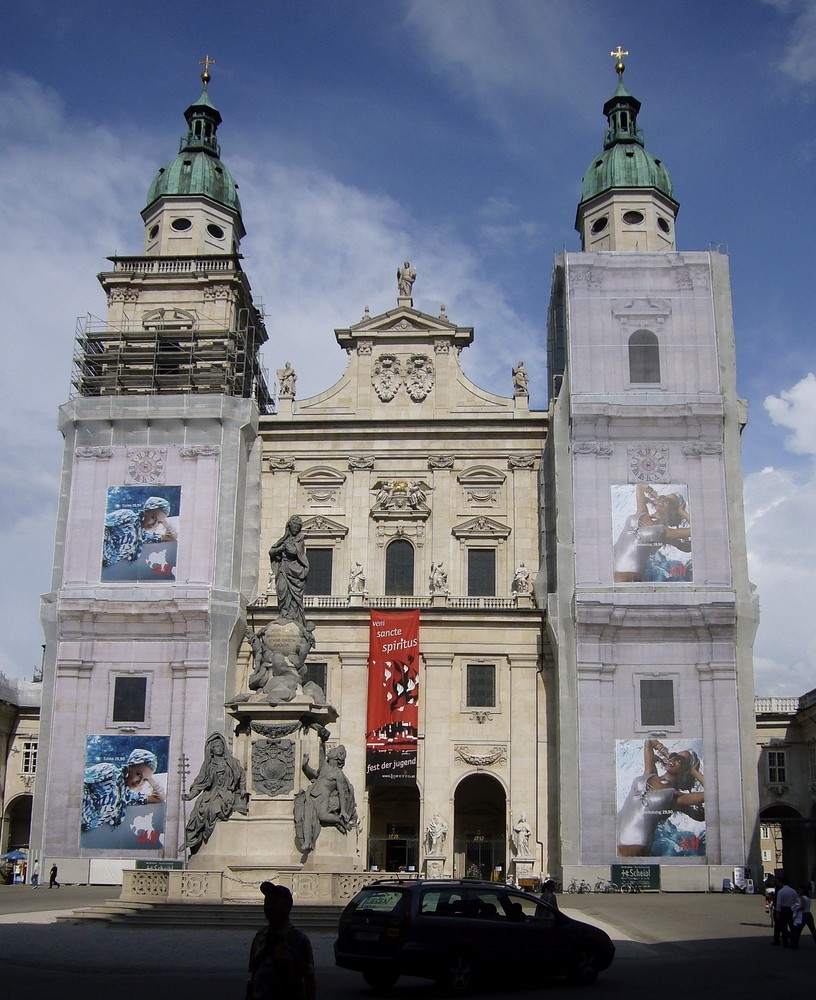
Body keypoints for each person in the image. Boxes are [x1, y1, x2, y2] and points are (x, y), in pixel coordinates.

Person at [617, 738, 704, 857]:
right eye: (674, 755)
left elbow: (713, 793)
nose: (673, 759)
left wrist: (695, 772)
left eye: (680, 760)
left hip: (634, 848)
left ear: (685, 772)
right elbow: (649, 741)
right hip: (612, 839)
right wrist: (668, 754)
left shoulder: (677, 797)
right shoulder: (650, 773)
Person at [246, 882, 316, 1000]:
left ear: (288, 906)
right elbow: (253, 974)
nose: (269, 907)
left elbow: (309, 980)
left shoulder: (299, 940)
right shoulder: (259, 937)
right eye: (266, 903)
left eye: (274, 903)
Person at [182, 732, 249, 855]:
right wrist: (190, 795)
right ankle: (194, 839)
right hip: (211, 792)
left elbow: (242, 776)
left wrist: (243, 789)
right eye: (216, 746)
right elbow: (200, 783)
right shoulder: (208, 766)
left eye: (220, 746)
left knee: (214, 807)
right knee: (199, 809)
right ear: (211, 750)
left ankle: (205, 834)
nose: (219, 748)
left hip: (227, 793)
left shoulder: (232, 762)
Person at [613, 484, 691, 583]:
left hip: (626, 581)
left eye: (668, 501)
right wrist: (655, 494)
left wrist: (682, 512)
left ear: (673, 511)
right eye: (663, 498)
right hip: (607, 572)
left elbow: (695, 531)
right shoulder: (642, 512)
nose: (662, 501)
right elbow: (640, 487)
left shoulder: (666, 533)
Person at [295, 737, 358, 854]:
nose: (331, 750)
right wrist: (305, 765)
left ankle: (339, 821)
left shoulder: (338, 774)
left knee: (323, 816)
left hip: (323, 797)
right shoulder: (324, 766)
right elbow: (314, 774)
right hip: (312, 794)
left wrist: (343, 810)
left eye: (333, 750)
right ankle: (307, 841)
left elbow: (342, 793)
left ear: (338, 756)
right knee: (307, 817)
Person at [82, 748, 166, 831]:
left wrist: (150, 778)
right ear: (130, 766)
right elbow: (79, 780)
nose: (139, 782)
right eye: (138, 774)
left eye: (144, 780)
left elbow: (159, 798)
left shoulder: (127, 796)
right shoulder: (110, 772)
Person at [102, 496, 177, 567]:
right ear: (145, 511)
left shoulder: (143, 536)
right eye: (153, 518)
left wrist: (165, 523)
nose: (154, 525)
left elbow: (172, 537)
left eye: (159, 522)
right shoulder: (128, 516)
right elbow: (100, 525)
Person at [269, 516, 309, 625]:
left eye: (298, 526)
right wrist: (280, 549)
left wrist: (287, 547)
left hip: (294, 571)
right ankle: (283, 613)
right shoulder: (283, 540)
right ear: (289, 526)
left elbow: (295, 551)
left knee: (294, 597)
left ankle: (292, 615)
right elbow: (271, 552)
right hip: (283, 568)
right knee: (282, 590)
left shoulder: (299, 539)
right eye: (294, 526)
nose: (296, 528)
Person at [774, 876, 799, 947]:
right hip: (791, 909)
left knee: (783, 927)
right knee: (792, 926)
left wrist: (777, 912)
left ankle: (785, 943)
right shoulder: (793, 891)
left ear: (782, 883)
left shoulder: (781, 891)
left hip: (783, 910)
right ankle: (794, 941)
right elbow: (797, 901)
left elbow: (778, 903)